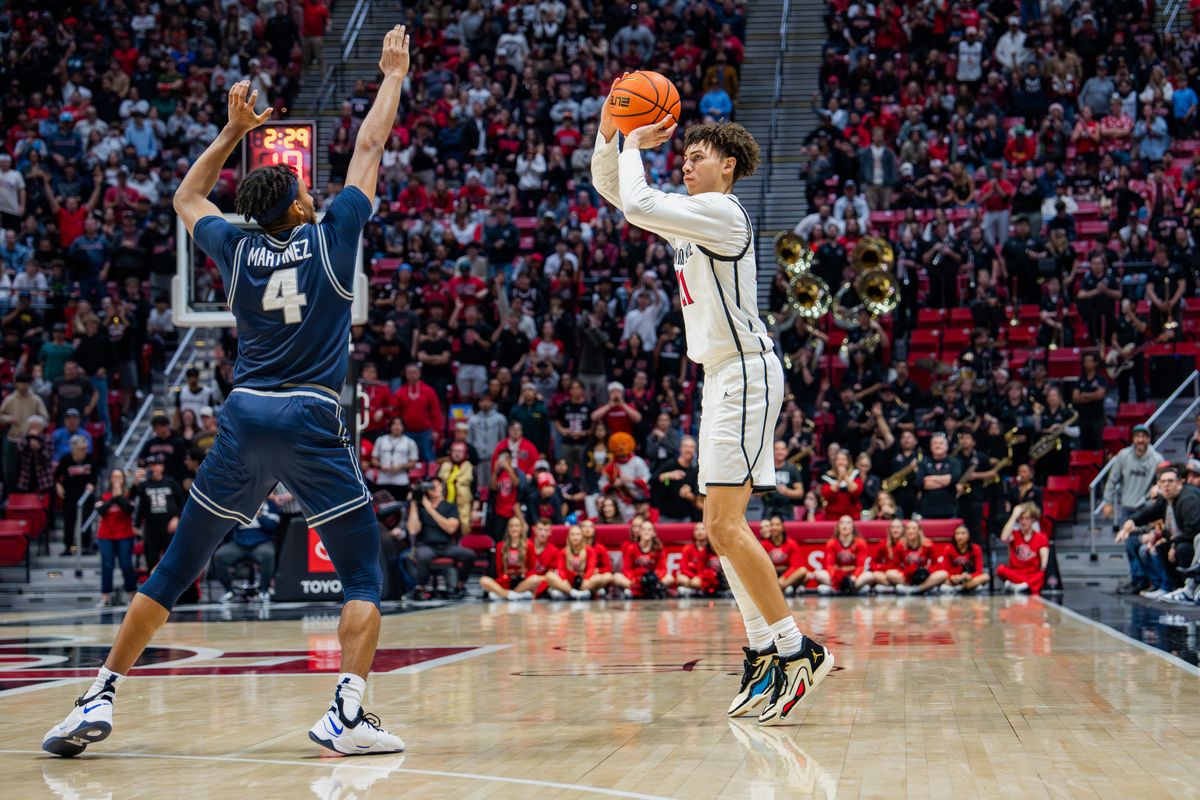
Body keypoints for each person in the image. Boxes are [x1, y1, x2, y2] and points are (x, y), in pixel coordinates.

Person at [43, 34, 414, 760]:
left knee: (177, 566)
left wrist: (234, 131)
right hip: (308, 414)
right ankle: (347, 712)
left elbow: (186, 195)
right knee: (364, 571)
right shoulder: (335, 233)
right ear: (304, 201)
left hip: (243, 415)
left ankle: (99, 693)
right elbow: (369, 144)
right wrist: (393, 76)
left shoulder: (236, 248)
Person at [592, 86, 831, 725]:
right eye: (685, 156)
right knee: (715, 524)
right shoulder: (689, 216)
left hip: (747, 372)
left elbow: (639, 199)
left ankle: (795, 646)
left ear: (726, 166)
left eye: (697, 156)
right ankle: (760, 648)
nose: (687, 164)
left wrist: (639, 140)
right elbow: (614, 190)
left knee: (725, 523)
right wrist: (613, 125)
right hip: (721, 376)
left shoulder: (724, 212)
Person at [1118, 466, 1200, 601]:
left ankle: (1190, 589)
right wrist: (1130, 521)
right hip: (1181, 538)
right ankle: (1173, 587)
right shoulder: (1165, 499)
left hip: (1190, 541)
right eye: (1163, 482)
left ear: (1179, 484)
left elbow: (1194, 530)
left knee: (1182, 548)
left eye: (1170, 481)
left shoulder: (1188, 500)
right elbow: (1148, 513)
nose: (1166, 485)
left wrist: (1174, 545)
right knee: (1160, 546)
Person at [406, 477, 474, 599]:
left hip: (446, 546)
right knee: (420, 555)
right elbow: (413, 529)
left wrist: (430, 510)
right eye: (432, 486)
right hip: (426, 545)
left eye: (438, 485)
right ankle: (420, 588)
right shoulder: (420, 508)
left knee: (469, 554)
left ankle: (459, 586)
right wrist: (414, 503)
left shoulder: (450, 507)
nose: (435, 488)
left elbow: (451, 528)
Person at [213, 499, 280, 603]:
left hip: (262, 541)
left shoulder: (270, 504)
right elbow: (229, 525)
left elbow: (272, 526)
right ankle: (229, 591)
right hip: (239, 542)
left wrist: (259, 515)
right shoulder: (240, 503)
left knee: (268, 554)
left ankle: (264, 591)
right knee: (220, 555)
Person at [132, 454, 184, 572]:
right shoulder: (144, 485)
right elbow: (132, 499)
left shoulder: (171, 482)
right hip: (151, 532)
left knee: (173, 563)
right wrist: (135, 482)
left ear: (162, 467)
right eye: (149, 466)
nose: (152, 468)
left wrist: (177, 518)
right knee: (151, 564)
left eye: (155, 465)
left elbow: (182, 503)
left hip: (169, 531)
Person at [93, 469, 137, 608]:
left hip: (125, 535)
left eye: (119, 477)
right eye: (114, 477)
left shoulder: (129, 495)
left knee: (126, 565)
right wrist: (114, 496)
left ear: (123, 479)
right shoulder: (102, 495)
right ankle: (105, 597)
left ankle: (132, 596)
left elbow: (128, 509)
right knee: (107, 566)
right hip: (106, 536)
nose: (116, 479)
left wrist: (119, 496)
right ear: (110, 479)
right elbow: (101, 510)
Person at [479, 514, 540, 601]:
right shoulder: (500, 545)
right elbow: (499, 570)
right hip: (506, 581)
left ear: (521, 528)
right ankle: (510, 595)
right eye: (511, 526)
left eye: (517, 526)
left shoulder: (529, 545)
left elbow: (533, 568)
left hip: (522, 581)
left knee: (535, 579)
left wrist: (523, 574)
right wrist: (506, 576)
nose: (514, 528)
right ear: (508, 529)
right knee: (483, 580)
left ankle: (505, 595)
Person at [55, 435, 96, 556]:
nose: (84, 451)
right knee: (69, 522)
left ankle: (85, 546)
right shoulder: (65, 459)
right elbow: (57, 476)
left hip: (86, 497)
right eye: (81, 449)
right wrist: (58, 486)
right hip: (70, 496)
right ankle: (69, 547)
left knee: (86, 521)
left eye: (85, 449)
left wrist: (92, 484)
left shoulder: (90, 459)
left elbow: (94, 476)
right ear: (73, 448)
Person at [812, 516, 872, 596]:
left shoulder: (860, 543)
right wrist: (836, 578)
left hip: (853, 575)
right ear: (838, 527)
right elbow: (829, 565)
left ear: (853, 527)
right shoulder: (831, 543)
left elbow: (860, 566)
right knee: (817, 574)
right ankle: (850, 588)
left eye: (848, 523)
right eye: (842, 522)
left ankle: (843, 588)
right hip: (837, 575)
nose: (845, 525)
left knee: (869, 576)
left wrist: (853, 578)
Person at [998, 503, 1050, 594]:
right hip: (1016, 572)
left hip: (1032, 573)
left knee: (1041, 574)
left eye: (1027, 518)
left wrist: (1042, 569)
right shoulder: (1014, 535)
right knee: (1001, 569)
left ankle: (1019, 585)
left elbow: (1043, 564)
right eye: (1021, 518)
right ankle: (1024, 585)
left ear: (1033, 519)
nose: (1023, 522)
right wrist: (1014, 516)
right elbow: (1003, 538)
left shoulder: (1041, 537)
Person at [651, 435, 703, 523]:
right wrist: (668, 475)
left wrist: (689, 495)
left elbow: (696, 497)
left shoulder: (694, 471)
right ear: (680, 449)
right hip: (666, 516)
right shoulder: (670, 464)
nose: (689, 449)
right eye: (686, 446)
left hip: (685, 516)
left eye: (692, 447)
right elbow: (652, 480)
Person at [546, 524, 603, 600]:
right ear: (568, 537)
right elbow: (561, 569)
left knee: (599, 577)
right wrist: (564, 581)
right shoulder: (563, 552)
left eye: (578, 534)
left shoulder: (589, 550)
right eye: (572, 534)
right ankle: (572, 593)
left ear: (582, 536)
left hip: (583, 582)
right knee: (549, 575)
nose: (575, 537)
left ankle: (573, 592)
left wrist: (586, 580)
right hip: (568, 582)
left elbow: (591, 567)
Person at [895, 520, 948, 595]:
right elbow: (896, 565)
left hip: (924, 575)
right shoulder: (900, 545)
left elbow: (936, 564)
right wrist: (907, 572)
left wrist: (927, 570)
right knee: (890, 574)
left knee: (943, 574)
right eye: (908, 528)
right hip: (908, 576)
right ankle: (926, 587)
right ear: (905, 531)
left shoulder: (928, 544)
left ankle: (917, 589)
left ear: (919, 530)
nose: (911, 531)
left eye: (914, 528)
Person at [759, 516, 808, 595]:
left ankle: (781, 587)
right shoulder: (764, 544)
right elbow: (761, 565)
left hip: (786, 576)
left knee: (804, 572)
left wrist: (784, 577)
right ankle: (785, 588)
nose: (774, 527)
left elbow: (795, 566)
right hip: (771, 574)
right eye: (772, 525)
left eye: (777, 525)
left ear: (782, 527)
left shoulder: (791, 544)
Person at [372, 417, 418, 498]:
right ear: (390, 426)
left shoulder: (410, 442)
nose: (397, 427)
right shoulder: (381, 440)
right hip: (383, 480)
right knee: (382, 507)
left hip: (401, 481)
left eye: (399, 424)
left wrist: (400, 466)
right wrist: (380, 466)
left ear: (403, 427)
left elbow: (413, 463)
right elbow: (373, 460)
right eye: (394, 424)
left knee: (400, 507)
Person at [939, 524, 990, 594]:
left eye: (963, 533)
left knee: (986, 577)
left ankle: (960, 588)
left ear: (969, 535)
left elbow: (979, 570)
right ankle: (969, 587)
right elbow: (944, 570)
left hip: (969, 579)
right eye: (957, 533)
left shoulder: (976, 548)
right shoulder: (948, 548)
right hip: (954, 579)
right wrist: (951, 577)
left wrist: (970, 576)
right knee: (941, 578)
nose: (960, 536)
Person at [677, 522, 723, 596]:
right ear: (693, 533)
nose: (699, 532)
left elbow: (714, 569)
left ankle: (695, 590)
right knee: (681, 578)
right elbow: (683, 569)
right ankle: (695, 589)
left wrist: (701, 577)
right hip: (693, 577)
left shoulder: (713, 548)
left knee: (712, 580)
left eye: (702, 529)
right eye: (697, 529)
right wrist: (694, 577)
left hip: (707, 578)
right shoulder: (687, 548)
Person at [869, 518, 905, 592]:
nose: (895, 529)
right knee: (875, 575)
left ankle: (897, 587)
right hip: (887, 573)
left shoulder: (907, 544)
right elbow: (873, 562)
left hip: (902, 573)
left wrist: (888, 569)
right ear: (889, 530)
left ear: (903, 530)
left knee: (891, 574)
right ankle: (894, 588)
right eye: (893, 527)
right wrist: (881, 569)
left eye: (898, 527)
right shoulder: (883, 543)